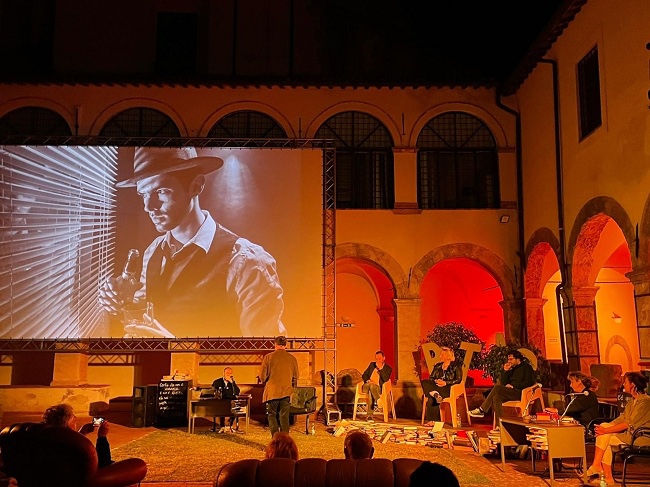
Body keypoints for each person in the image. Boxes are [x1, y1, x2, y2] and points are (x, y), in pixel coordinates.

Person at [98, 146, 285, 338]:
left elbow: (265, 351)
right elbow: (149, 318)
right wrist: (125, 303)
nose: (148, 206)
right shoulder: (153, 251)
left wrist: (176, 348)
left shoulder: (247, 262)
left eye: (161, 191)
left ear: (196, 186)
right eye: (143, 194)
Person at [585, 371, 650, 485]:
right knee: (604, 434)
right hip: (630, 435)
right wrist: (605, 426)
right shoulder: (632, 400)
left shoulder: (645, 401)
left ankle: (599, 468)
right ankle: (602, 472)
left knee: (605, 436)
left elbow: (628, 423)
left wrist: (606, 430)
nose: (623, 384)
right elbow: (622, 418)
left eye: (625, 382)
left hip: (641, 436)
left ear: (633, 384)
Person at [468, 349, 535, 431]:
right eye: (508, 359)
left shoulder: (527, 367)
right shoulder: (512, 369)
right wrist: (505, 372)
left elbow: (529, 383)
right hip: (511, 392)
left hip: (522, 392)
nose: (509, 361)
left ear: (518, 359)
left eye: (511, 359)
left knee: (497, 388)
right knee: (496, 397)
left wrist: (514, 386)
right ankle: (499, 426)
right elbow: (504, 383)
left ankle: (482, 410)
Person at [42, 404, 113, 468]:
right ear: (66, 424)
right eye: (73, 418)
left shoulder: (48, 438)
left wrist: (82, 434)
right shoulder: (71, 446)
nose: (76, 419)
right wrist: (102, 437)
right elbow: (104, 463)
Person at [259, 335, 299, 436]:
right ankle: (285, 439)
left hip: (272, 391)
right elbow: (296, 376)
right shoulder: (292, 358)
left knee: (272, 415)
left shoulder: (268, 357)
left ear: (275, 345)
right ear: (285, 345)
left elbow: (262, 376)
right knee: (284, 416)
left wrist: (265, 381)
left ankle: (275, 438)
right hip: (286, 391)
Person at [420, 346, 461, 426]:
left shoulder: (456, 366)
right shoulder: (438, 366)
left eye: (442, 355)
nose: (440, 356)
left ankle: (433, 421)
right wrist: (436, 381)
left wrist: (445, 383)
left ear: (448, 356)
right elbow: (431, 378)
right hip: (436, 387)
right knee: (424, 382)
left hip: (447, 388)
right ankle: (435, 394)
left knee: (431, 398)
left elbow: (458, 379)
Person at [361, 350, 392, 422]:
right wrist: (368, 380)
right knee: (371, 386)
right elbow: (364, 375)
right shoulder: (372, 365)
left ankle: (370, 416)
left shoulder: (388, 369)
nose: (378, 360)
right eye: (376, 359)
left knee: (371, 390)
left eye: (379, 359)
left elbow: (385, 379)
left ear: (384, 358)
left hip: (378, 388)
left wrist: (380, 369)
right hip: (367, 386)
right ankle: (378, 400)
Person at [211, 366, 241, 433]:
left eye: (230, 373)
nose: (228, 375)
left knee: (236, 407)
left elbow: (237, 392)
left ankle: (229, 425)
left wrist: (232, 383)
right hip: (221, 401)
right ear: (223, 373)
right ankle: (222, 426)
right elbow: (213, 391)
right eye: (227, 373)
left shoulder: (232, 383)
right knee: (221, 406)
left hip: (231, 401)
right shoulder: (217, 382)